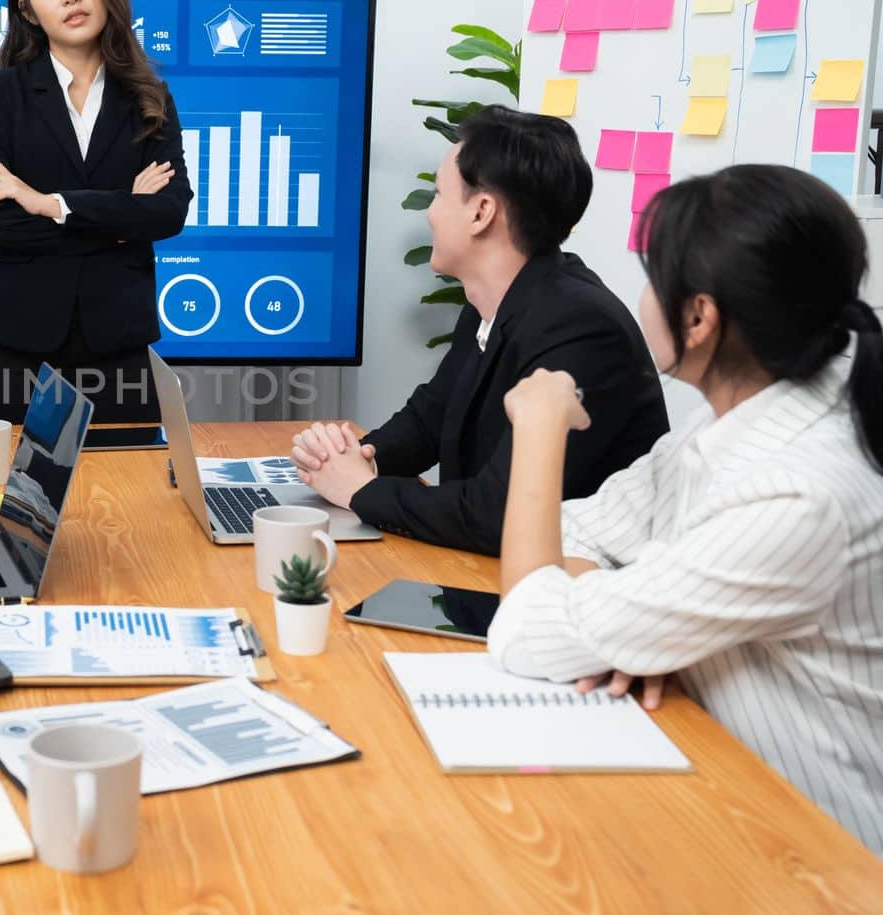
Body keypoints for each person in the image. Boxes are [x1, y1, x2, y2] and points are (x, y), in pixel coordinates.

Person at [487, 164, 883, 855]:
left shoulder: (797, 491)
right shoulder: (736, 418)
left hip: (816, 854)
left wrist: (541, 425)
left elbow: (524, 627)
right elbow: (585, 528)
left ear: (698, 317)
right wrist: (630, 624)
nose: (638, 295)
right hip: (715, 786)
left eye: (649, 276)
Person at [289, 105, 668, 555]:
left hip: (570, 597)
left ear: (481, 212)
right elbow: (431, 420)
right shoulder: (492, 301)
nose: (429, 213)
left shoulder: (582, 327)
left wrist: (358, 490)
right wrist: (345, 458)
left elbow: (499, 512)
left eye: (438, 195)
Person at [0, 0, 192, 422]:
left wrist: (50, 204)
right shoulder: (1, 94)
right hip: (11, 342)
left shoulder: (150, 99)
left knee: (127, 495)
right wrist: (123, 217)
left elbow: (169, 213)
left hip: (117, 342)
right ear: (27, 10)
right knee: (0, 497)